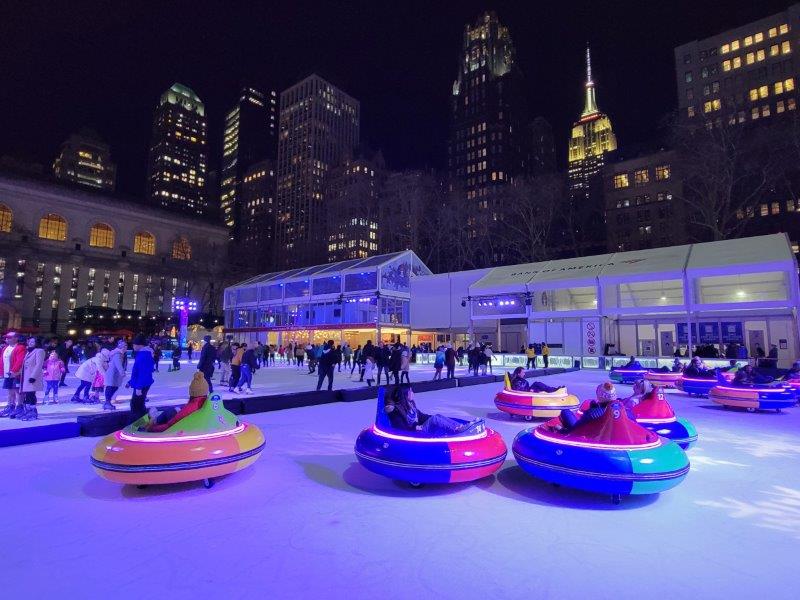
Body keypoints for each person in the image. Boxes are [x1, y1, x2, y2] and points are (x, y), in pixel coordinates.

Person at [384, 384, 476, 436]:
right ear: (405, 394)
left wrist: (430, 417)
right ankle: (458, 431)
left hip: (418, 427)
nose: (413, 393)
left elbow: (420, 415)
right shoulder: (397, 410)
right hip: (413, 433)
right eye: (410, 391)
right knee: (434, 419)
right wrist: (414, 427)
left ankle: (460, 427)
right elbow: (400, 427)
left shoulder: (410, 404)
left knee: (437, 416)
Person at [128, 335, 155, 420]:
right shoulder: (143, 354)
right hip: (142, 383)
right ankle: (143, 422)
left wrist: (139, 387)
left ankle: (137, 425)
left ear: (140, 345)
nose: (133, 346)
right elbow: (138, 371)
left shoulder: (143, 355)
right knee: (138, 404)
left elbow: (143, 372)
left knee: (136, 405)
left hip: (141, 384)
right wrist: (130, 381)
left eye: (134, 344)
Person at [19, 337, 46, 420]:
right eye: (29, 341)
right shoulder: (29, 351)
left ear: (37, 342)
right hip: (26, 376)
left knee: (31, 395)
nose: (30, 343)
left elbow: (39, 364)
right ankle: (27, 411)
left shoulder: (39, 351)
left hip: (32, 377)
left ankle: (33, 412)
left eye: (33, 341)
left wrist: (33, 376)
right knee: (27, 395)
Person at [0, 332, 26, 418]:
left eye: (9, 338)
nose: (6, 339)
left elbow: (20, 361)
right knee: (10, 392)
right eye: (6, 338)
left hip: (16, 374)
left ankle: (19, 407)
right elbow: (1, 361)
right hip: (7, 374)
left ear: (16, 338)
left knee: (18, 392)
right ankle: (10, 407)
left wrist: (13, 371)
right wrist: (1, 372)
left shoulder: (20, 347)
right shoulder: (5, 348)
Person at [103, 339, 127, 411]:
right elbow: (118, 364)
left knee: (114, 387)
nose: (126, 348)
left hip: (115, 374)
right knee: (111, 387)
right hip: (113, 374)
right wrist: (122, 372)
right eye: (124, 346)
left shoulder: (121, 354)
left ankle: (108, 402)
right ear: (121, 347)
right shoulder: (118, 354)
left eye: (126, 346)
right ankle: (107, 403)